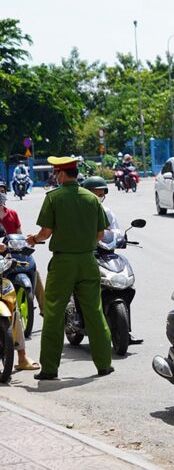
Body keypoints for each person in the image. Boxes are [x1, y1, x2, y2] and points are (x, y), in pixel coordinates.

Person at [26, 156, 113, 380]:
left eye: (56, 173)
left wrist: (34, 240)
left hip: (63, 263)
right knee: (94, 310)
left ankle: (49, 369)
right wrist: (84, 246)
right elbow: (100, 234)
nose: (55, 177)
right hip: (87, 261)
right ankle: (104, 364)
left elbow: (45, 233)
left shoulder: (54, 198)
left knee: (54, 313)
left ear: (62, 174)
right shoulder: (92, 199)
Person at [81, 176, 143, 345]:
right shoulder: (78, 211)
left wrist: (120, 237)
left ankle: (126, 331)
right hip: (84, 254)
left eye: (102, 193)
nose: (100, 196)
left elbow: (115, 230)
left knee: (125, 287)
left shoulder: (106, 212)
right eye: (96, 193)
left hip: (106, 253)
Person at [0, 192, 39, 372]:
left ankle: (22, 357)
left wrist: (8, 254)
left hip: (2, 275)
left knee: (13, 310)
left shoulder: (10, 217)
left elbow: (11, 241)